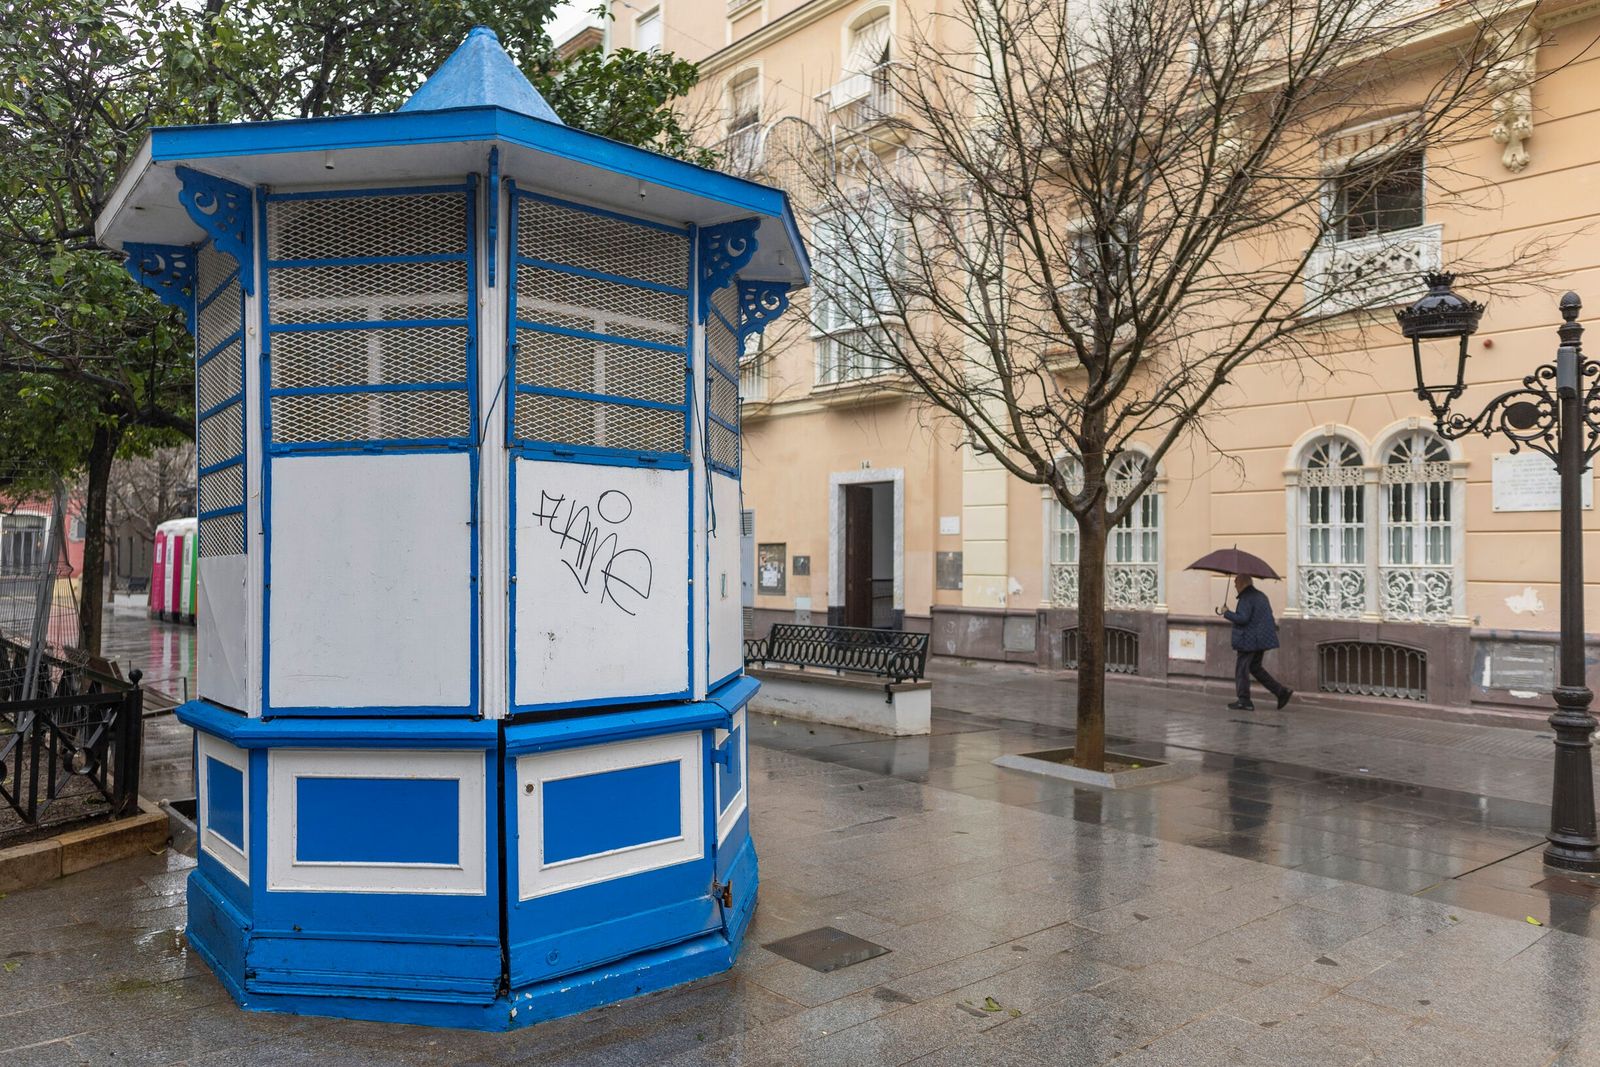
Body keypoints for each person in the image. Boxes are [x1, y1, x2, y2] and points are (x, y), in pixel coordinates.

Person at [1219, 574, 1292, 711]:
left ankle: (1244, 700)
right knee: (1255, 668)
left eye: (1236, 583)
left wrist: (1226, 612)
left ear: (1242, 583)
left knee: (1242, 669)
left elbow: (1243, 618)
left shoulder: (1247, 597)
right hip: (1260, 639)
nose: (1234, 586)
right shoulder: (1260, 595)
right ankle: (1281, 692)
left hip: (1249, 640)